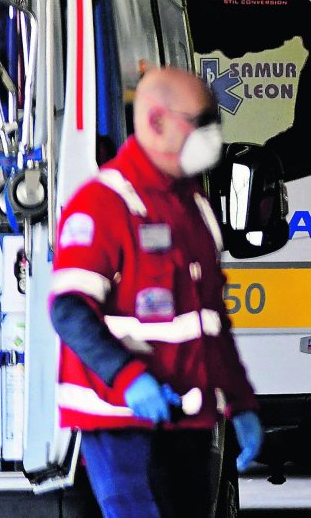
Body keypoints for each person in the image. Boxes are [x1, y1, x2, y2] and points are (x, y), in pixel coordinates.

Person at [49, 67, 263, 517]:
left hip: (188, 417)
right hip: (121, 417)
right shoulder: (104, 203)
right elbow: (69, 309)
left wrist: (240, 401)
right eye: (201, 122)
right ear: (156, 122)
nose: (212, 135)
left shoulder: (195, 206)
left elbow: (210, 321)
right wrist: (129, 379)